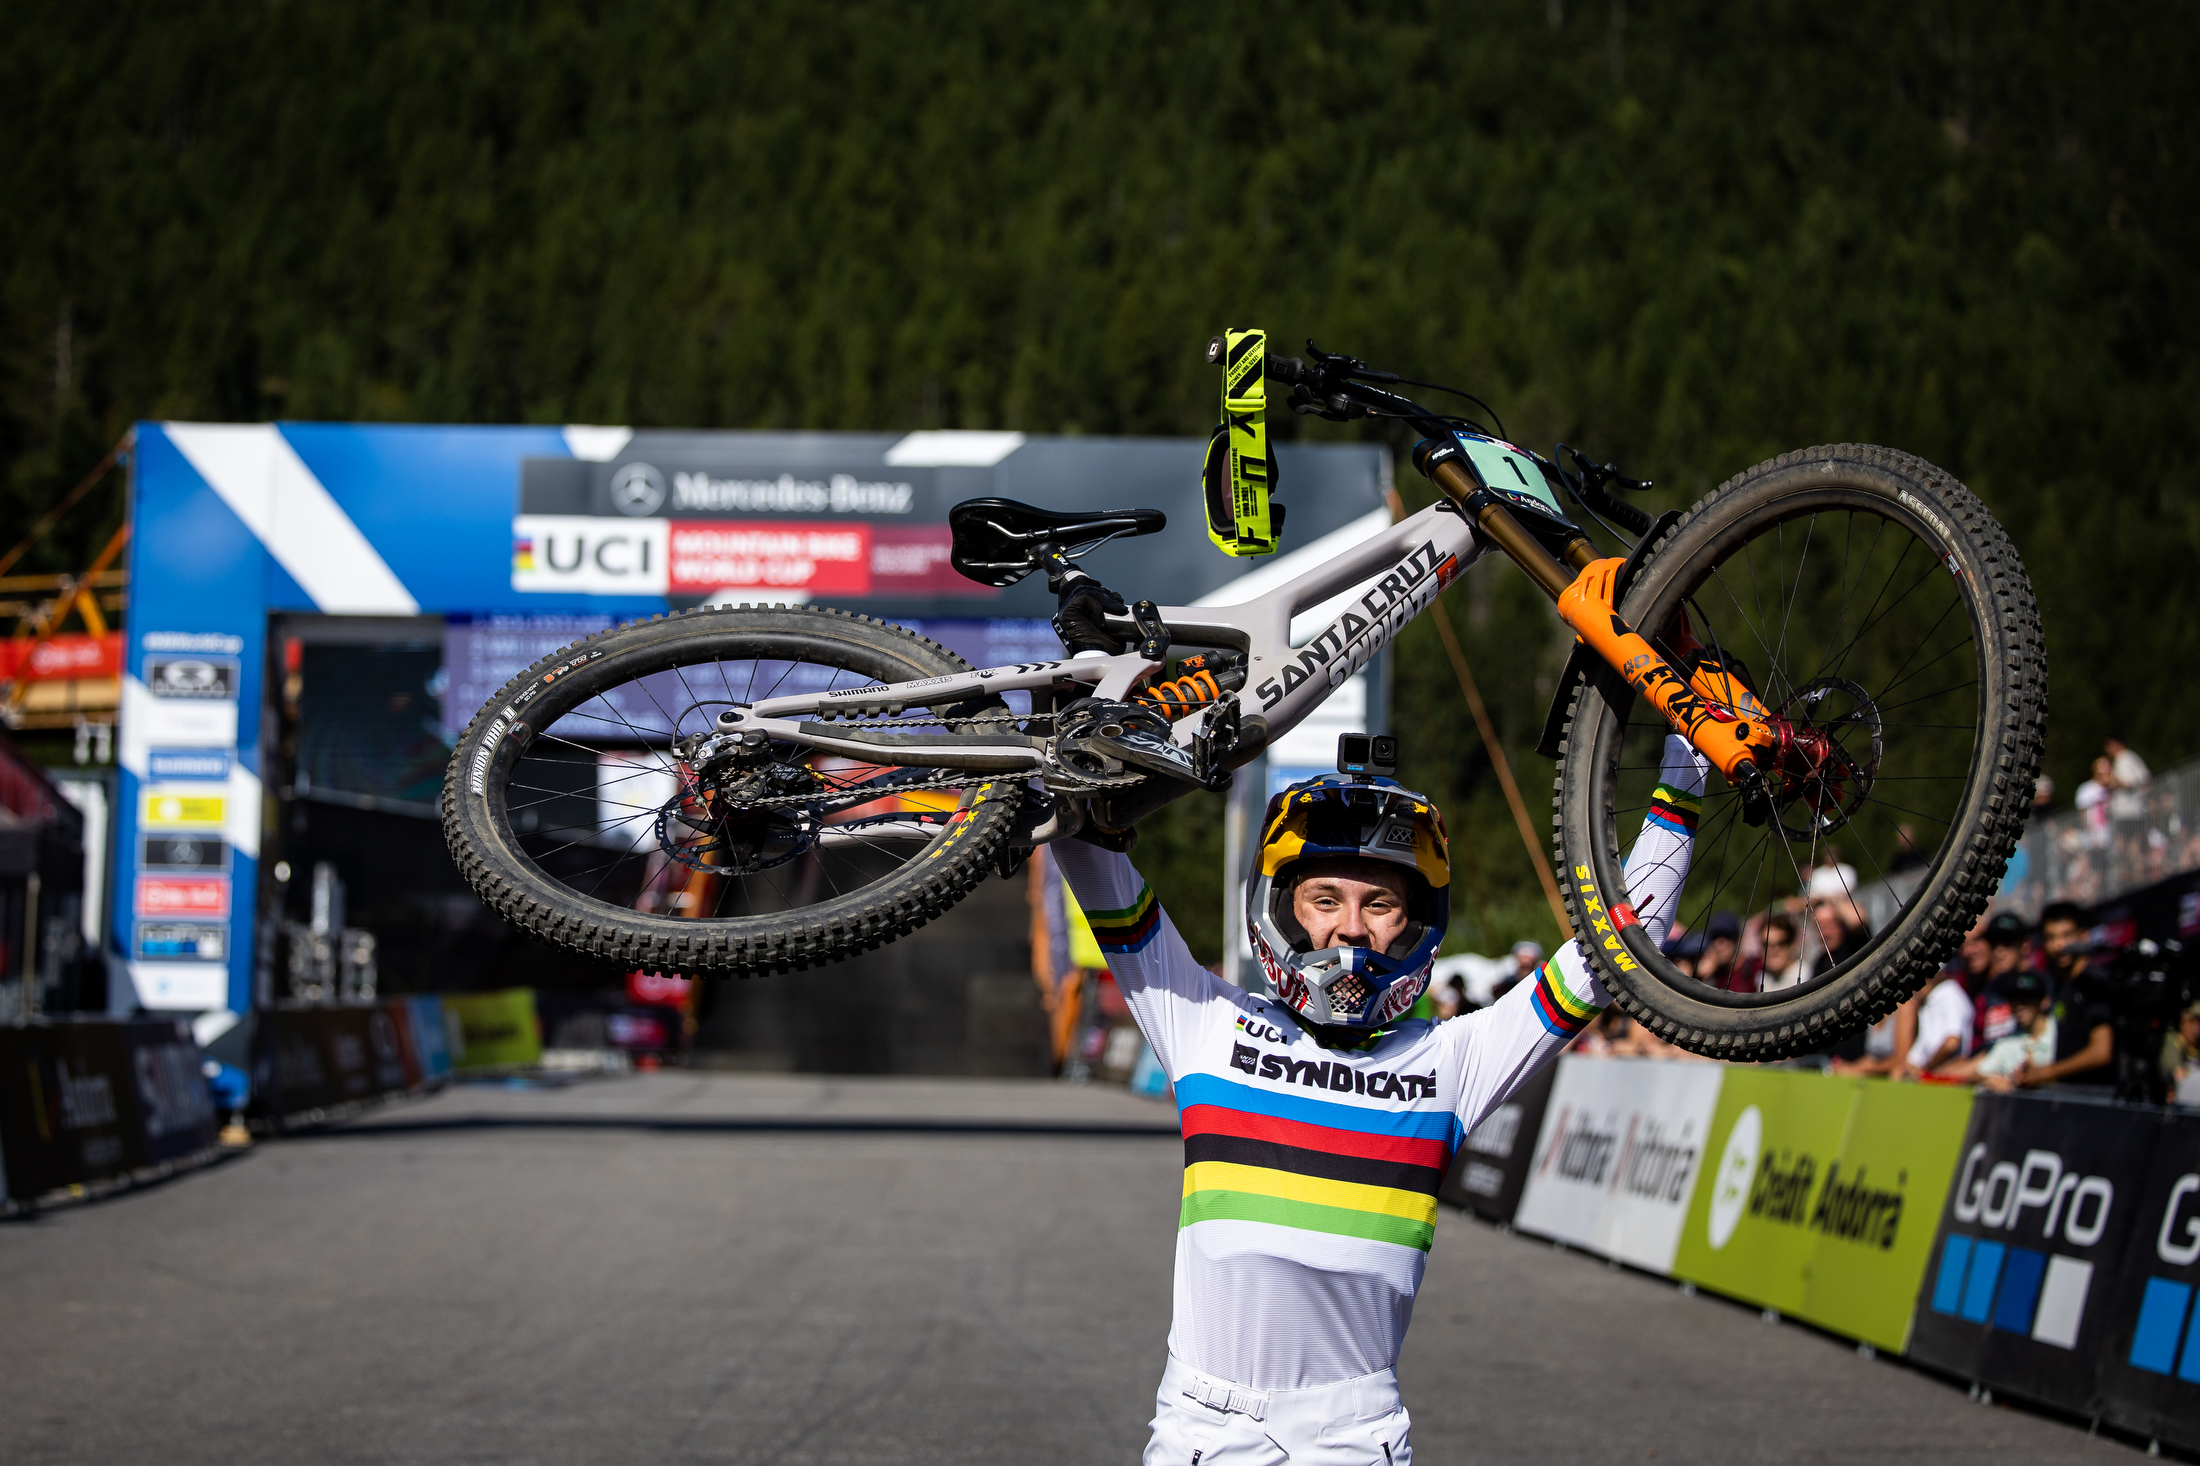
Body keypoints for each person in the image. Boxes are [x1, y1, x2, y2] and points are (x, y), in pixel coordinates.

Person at [1054, 717, 1709, 1461]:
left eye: (1380, 903)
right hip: (1208, 1420)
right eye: (1325, 899)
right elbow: (1082, 845)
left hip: (1353, 1432)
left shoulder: (1455, 1057)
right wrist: (1078, 710)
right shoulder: (1203, 1019)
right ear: (1281, 910)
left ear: (1413, 922)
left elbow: (1623, 936)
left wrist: (1689, 757)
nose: (1353, 930)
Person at [2011, 901, 2115, 1090]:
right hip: (2069, 1099)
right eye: (2051, 938)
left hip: (2099, 1099)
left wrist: (2045, 1073)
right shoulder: (2058, 985)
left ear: (2084, 936)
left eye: (2066, 936)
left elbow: (2101, 1052)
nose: (2058, 945)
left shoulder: (2094, 983)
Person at [1934, 970, 2057, 1090]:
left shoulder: (2060, 1032)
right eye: (2013, 999)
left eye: (2026, 998)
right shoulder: (2007, 1042)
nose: (2019, 1004)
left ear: (2045, 1001)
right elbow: (1977, 1072)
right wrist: (1987, 1079)